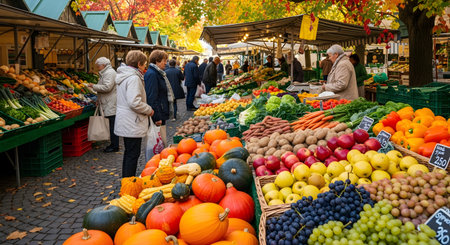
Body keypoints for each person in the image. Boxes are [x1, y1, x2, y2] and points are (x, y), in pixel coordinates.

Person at [114, 50, 154, 177]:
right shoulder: (133, 78)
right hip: (132, 120)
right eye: (144, 64)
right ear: (138, 63)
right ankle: (129, 181)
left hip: (126, 119)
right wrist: (149, 110)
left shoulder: (124, 76)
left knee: (129, 152)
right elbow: (134, 102)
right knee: (132, 153)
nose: (144, 67)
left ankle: (127, 179)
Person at [88, 57, 119, 153]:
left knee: (112, 124)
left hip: (110, 102)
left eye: (98, 66)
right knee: (111, 124)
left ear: (103, 65)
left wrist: (93, 86)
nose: (98, 68)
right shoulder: (106, 73)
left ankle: (114, 145)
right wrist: (98, 99)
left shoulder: (109, 73)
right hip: (107, 101)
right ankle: (113, 144)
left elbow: (107, 87)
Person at [145, 50, 173, 147]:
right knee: (159, 142)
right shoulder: (152, 74)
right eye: (164, 60)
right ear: (157, 60)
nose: (166, 63)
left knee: (162, 141)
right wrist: (156, 117)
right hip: (158, 113)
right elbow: (152, 97)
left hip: (161, 111)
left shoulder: (157, 73)